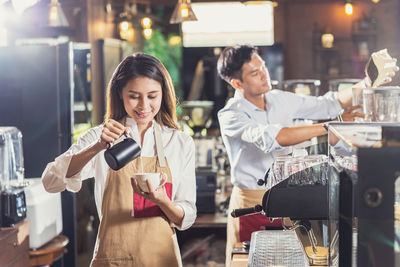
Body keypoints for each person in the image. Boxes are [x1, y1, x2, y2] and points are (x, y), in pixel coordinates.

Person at [216, 45, 398, 266]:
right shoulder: (230, 115)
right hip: (251, 204)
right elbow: (274, 138)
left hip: (291, 200)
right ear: (237, 83)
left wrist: (367, 82)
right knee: (251, 259)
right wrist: (333, 125)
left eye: (263, 67)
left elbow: (329, 103)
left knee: (289, 260)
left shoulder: (279, 99)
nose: (264, 75)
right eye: (255, 73)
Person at [42, 53, 197, 267]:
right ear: (120, 94)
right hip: (113, 259)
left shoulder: (180, 143)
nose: (144, 106)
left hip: (163, 259)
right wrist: (98, 146)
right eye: (134, 96)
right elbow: (50, 181)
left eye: (152, 96)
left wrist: (162, 201)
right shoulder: (99, 136)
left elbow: (187, 216)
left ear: (164, 94)